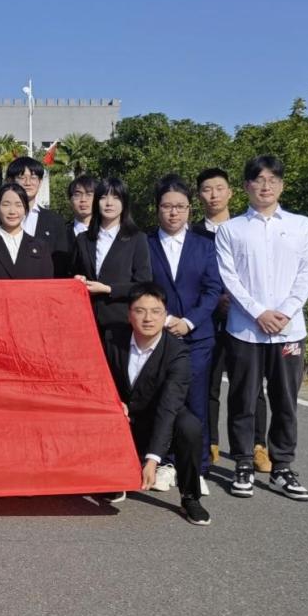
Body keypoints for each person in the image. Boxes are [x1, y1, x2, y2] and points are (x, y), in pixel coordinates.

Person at [216, 155, 308, 500]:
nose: (266, 186)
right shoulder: (231, 230)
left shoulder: (302, 226)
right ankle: (243, 463)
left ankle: (282, 467)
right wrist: (259, 312)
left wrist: (285, 312)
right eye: (259, 180)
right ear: (246, 186)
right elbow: (229, 277)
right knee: (243, 398)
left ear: (282, 186)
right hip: (245, 329)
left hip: (290, 331)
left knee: (285, 401)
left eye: (273, 180)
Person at [103, 283, 210, 526]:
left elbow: (169, 406)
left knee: (189, 426)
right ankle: (114, 479)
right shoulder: (111, 338)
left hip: (157, 417)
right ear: (129, 314)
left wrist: (153, 460)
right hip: (120, 415)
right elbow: (97, 378)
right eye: (140, 311)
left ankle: (190, 497)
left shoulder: (178, 353)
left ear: (165, 315)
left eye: (156, 311)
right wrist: (113, 402)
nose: (148, 318)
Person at [147, 174, 222, 493]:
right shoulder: (145, 243)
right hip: (159, 336)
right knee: (164, 400)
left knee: (196, 401)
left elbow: (212, 290)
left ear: (190, 208)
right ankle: (166, 462)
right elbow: (142, 286)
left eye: (180, 206)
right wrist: (164, 319)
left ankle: (198, 466)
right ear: (158, 208)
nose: (173, 212)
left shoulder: (205, 246)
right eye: (167, 206)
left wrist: (189, 321)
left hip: (197, 337)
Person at [193, 167, 270, 470]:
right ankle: (210, 442)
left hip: (244, 316)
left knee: (250, 384)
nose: (213, 195)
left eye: (219, 188)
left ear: (231, 192)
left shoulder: (245, 229)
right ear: (199, 195)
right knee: (208, 383)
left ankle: (258, 445)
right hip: (207, 318)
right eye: (206, 189)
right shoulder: (192, 233)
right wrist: (213, 301)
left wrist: (239, 301)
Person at [73, 177, 152, 344]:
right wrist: (78, 279)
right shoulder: (83, 239)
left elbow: (143, 284)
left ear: (124, 203)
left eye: (116, 197)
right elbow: (74, 272)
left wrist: (108, 289)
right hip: (87, 321)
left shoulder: (137, 239)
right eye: (103, 197)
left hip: (121, 323)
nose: (109, 203)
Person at [0, 156, 72, 275]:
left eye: (33, 177)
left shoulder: (55, 221)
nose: (28, 183)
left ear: (40, 182)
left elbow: (61, 264)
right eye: (22, 177)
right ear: (10, 181)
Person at [0, 183, 55, 279]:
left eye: (18, 205)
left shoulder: (41, 247)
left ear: (25, 209)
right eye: (6, 205)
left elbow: (47, 285)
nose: (12, 211)